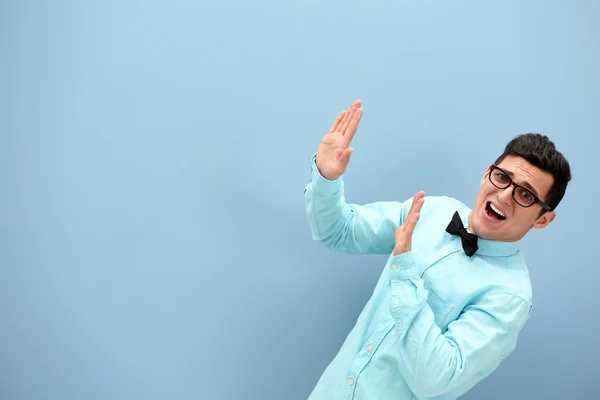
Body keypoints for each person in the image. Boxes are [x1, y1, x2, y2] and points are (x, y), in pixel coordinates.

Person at [303, 99, 571, 400]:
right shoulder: (431, 210)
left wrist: (404, 272)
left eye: (525, 194)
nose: (505, 195)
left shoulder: (510, 296)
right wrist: (327, 178)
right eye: (503, 177)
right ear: (487, 173)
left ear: (543, 219)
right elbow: (338, 232)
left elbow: (435, 380)